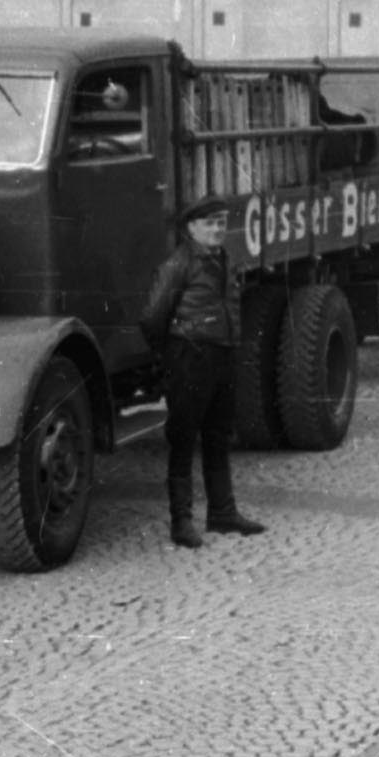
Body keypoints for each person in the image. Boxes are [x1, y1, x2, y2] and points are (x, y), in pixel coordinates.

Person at [141, 198, 267, 549]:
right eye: (209, 224)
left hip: (221, 355)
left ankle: (223, 512)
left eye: (221, 223)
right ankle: (181, 522)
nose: (217, 230)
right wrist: (170, 355)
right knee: (183, 440)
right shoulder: (179, 265)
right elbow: (153, 317)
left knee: (218, 435)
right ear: (191, 228)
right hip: (190, 357)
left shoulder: (222, 259)